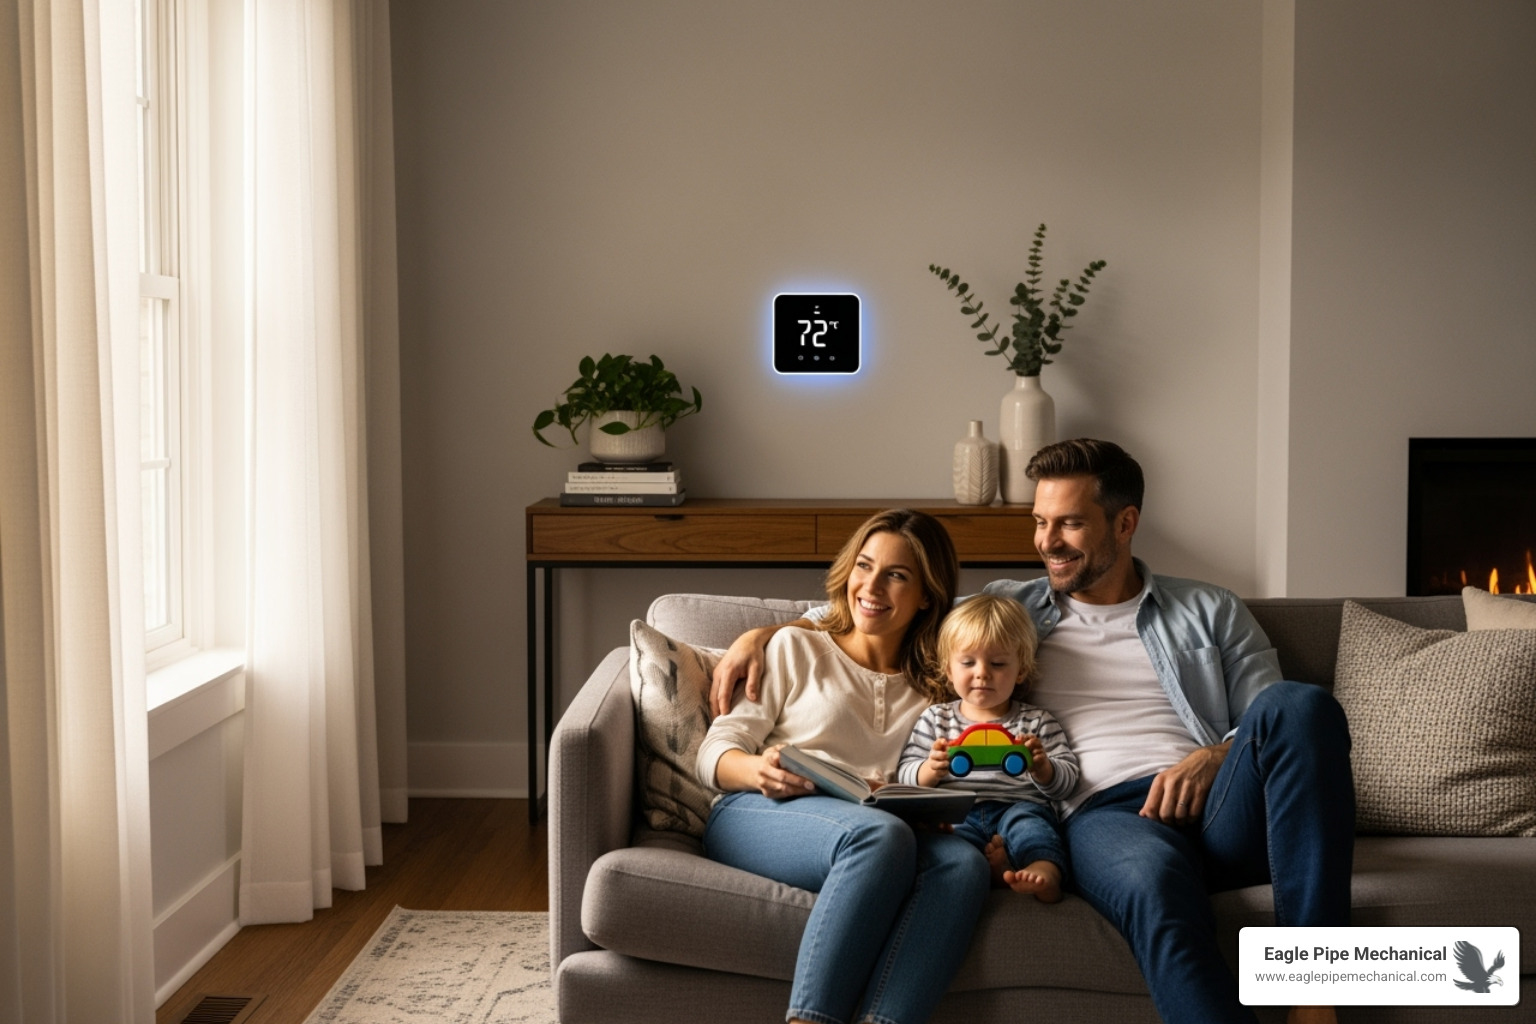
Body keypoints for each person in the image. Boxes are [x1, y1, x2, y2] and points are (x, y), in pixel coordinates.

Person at [710, 439, 1355, 1024]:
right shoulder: (1010, 607)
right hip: (1105, 815)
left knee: (1301, 706)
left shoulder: (1209, 608)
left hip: (1220, 802)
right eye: (1041, 523)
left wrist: (1214, 756)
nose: (1049, 541)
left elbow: (1269, 724)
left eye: (1070, 523)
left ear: (1125, 523)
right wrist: (765, 633)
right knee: (1157, 891)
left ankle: (1315, 996)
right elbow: (881, 610)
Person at [694, 508, 990, 1024]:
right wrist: (755, 770)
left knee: (962, 866)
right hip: (758, 809)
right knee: (878, 836)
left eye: (896, 575)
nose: (871, 586)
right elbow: (716, 751)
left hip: (872, 822)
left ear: (927, 594)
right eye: (864, 566)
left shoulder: (938, 690)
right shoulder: (794, 646)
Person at [897, 593, 1079, 903]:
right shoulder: (936, 719)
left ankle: (1045, 869)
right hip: (958, 812)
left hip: (1017, 805)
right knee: (947, 842)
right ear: (949, 670)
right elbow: (904, 777)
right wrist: (930, 769)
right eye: (968, 662)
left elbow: (1068, 782)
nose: (982, 672)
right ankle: (991, 870)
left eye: (997, 663)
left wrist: (1043, 768)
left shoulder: (1036, 721)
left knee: (1031, 827)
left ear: (1021, 670)